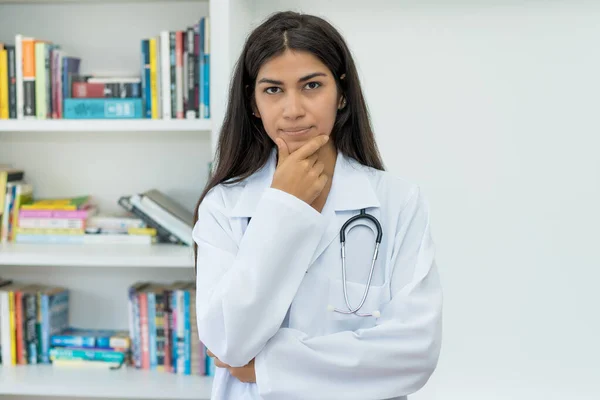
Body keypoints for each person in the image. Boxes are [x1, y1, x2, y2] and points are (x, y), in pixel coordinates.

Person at [192, 10, 443, 400]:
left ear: (341, 93)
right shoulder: (223, 206)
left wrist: (264, 367)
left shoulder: (398, 202)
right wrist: (283, 207)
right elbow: (228, 341)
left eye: (311, 85)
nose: (293, 109)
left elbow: (413, 353)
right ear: (253, 104)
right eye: (273, 90)